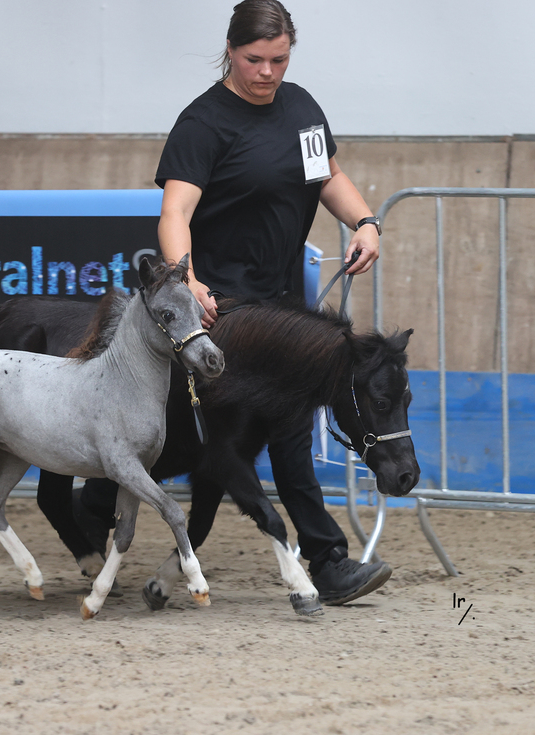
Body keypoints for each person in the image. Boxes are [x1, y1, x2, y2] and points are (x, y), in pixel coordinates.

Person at [150, 0, 391, 604]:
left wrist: (365, 221)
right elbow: (175, 212)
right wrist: (187, 281)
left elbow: (328, 177)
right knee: (249, 435)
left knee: (285, 429)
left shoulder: (301, 109)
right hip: (223, 307)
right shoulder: (202, 124)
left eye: (279, 60)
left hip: (284, 305)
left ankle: (326, 562)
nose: (267, 72)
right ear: (231, 52)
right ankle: (324, 560)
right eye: (254, 59)